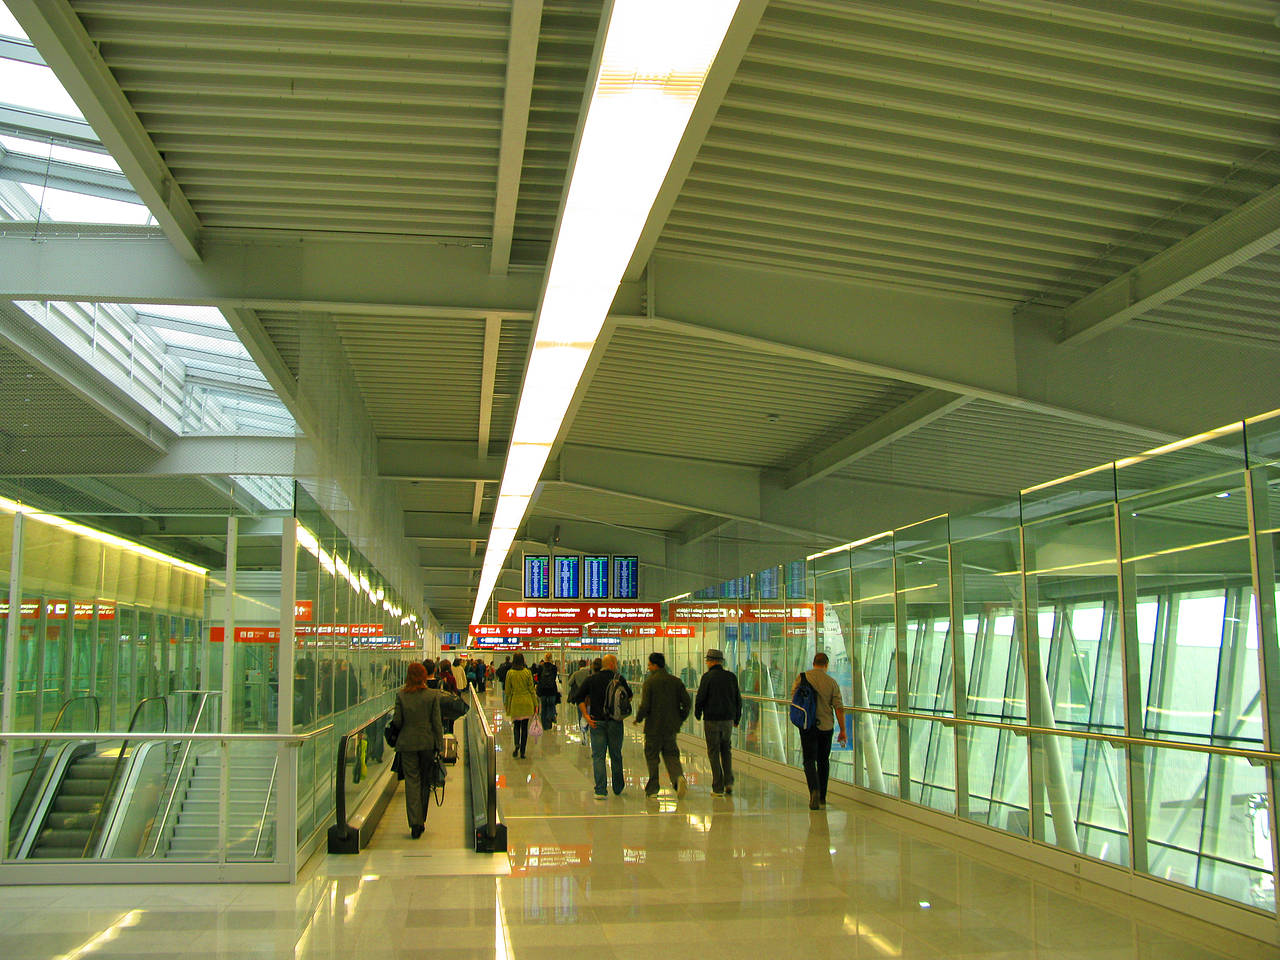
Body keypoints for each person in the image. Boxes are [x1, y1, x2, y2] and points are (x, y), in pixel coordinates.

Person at [393, 662, 444, 839]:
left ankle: (415, 822)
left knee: (411, 782)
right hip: (427, 743)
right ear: (424, 676)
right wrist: (440, 745)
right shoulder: (432, 696)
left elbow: (397, 722)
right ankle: (421, 818)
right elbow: (437, 723)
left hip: (407, 744)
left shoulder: (401, 696)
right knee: (425, 781)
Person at [791, 652, 847, 810]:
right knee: (823, 760)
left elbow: (794, 697)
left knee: (809, 760)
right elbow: (839, 707)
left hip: (807, 725)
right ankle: (822, 796)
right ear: (826, 665)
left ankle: (813, 790)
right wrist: (842, 730)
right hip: (826, 726)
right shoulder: (832, 682)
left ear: (814, 662)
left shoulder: (802, 677)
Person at [572, 653, 632, 799]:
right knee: (615, 755)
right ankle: (617, 788)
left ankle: (600, 790)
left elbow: (578, 697)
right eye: (616, 662)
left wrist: (586, 715)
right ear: (611, 664)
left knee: (598, 756)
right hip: (615, 723)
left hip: (596, 722)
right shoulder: (619, 679)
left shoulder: (592, 679)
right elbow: (629, 696)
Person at [634, 651, 690, 798]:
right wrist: (680, 718)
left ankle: (653, 788)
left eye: (649, 665)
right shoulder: (676, 681)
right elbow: (687, 703)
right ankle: (678, 778)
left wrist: (638, 718)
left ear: (654, 665)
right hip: (671, 727)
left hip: (653, 727)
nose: (648, 668)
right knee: (671, 754)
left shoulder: (650, 682)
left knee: (652, 756)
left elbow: (645, 705)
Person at [695, 647, 742, 797]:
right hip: (728, 720)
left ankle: (717, 786)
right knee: (726, 750)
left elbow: (701, 697)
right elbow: (737, 699)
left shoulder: (707, 677)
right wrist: (737, 718)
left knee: (714, 752)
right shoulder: (731, 677)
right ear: (721, 662)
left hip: (712, 719)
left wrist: (697, 713)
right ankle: (728, 782)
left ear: (710, 661)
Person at [503, 653, 537, 758]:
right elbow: (532, 689)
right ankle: (523, 751)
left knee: (516, 726)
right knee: (524, 728)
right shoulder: (527, 672)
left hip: (515, 702)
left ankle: (516, 744)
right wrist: (535, 704)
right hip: (527, 702)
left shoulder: (510, 673)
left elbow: (507, 690)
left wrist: (506, 704)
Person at [566, 659, 591, 736]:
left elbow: (569, 683)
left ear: (579, 666)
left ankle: (583, 731)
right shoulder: (589, 673)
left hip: (579, 696)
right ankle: (589, 728)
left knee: (581, 713)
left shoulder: (576, 673)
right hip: (589, 697)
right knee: (589, 712)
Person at [536, 652, 559, 730]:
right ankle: (550, 721)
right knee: (551, 706)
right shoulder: (554, 667)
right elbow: (554, 677)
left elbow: (538, 678)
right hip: (552, 690)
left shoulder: (540, 667)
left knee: (543, 708)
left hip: (542, 691)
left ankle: (544, 725)